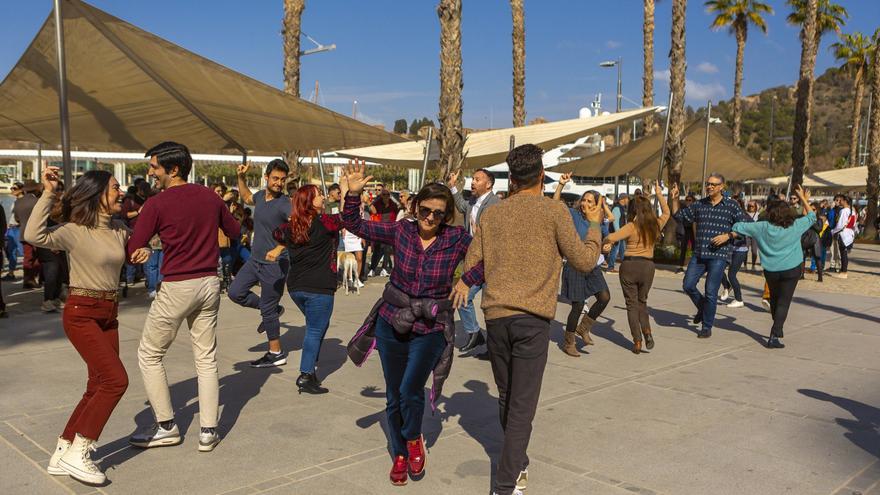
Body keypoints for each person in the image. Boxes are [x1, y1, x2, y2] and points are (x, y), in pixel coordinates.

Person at [456, 144, 601, 495]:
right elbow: (584, 261)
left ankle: (516, 462)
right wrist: (595, 227)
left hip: (497, 317)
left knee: (508, 397)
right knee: (522, 405)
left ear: (512, 177)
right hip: (533, 319)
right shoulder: (554, 212)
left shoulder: (493, 215)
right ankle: (507, 484)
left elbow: (474, 262)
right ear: (540, 175)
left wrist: (463, 280)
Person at [343, 161, 483, 487]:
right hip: (392, 321)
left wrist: (468, 280)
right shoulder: (401, 229)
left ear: (447, 216)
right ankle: (401, 454)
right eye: (425, 210)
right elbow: (353, 224)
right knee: (394, 395)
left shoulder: (457, 239)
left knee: (410, 388)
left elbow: (489, 256)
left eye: (438, 213)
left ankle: (413, 437)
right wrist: (352, 194)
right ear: (416, 206)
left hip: (431, 326)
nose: (430, 218)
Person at [127, 142, 240, 453]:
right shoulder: (210, 196)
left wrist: (144, 247)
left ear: (172, 169)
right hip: (209, 282)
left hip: (179, 284)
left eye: (154, 167)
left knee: (149, 354)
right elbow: (235, 229)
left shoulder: (156, 204)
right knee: (206, 358)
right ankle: (208, 431)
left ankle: (166, 426)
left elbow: (134, 245)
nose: (150, 172)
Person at [25, 167, 129, 484]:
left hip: (109, 313)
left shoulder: (119, 229)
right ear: (98, 194)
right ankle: (80, 451)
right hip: (81, 312)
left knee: (97, 385)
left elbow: (138, 247)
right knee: (116, 381)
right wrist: (49, 191)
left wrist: (143, 249)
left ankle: (63, 450)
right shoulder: (73, 231)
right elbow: (33, 235)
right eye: (114, 188)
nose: (120, 192)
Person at [268, 184, 344, 394]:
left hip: (296, 288)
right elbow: (347, 217)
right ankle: (306, 375)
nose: (323, 197)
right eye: (319, 195)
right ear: (309, 202)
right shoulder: (325, 223)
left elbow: (277, 233)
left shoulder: (292, 226)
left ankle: (310, 367)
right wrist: (346, 192)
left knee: (318, 324)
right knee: (314, 329)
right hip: (318, 287)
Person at [729, 185, 816, 348]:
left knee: (775, 300)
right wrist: (804, 198)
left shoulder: (761, 227)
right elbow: (812, 217)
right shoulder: (795, 226)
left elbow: (737, 227)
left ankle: (778, 326)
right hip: (792, 269)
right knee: (784, 301)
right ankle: (774, 334)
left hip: (771, 270)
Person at [227, 160, 292, 368]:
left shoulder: (285, 203)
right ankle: (272, 310)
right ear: (266, 177)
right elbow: (246, 196)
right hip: (255, 261)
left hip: (275, 264)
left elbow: (300, 228)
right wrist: (241, 177)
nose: (279, 183)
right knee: (235, 292)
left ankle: (276, 352)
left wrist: (280, 248)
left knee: (268, 307)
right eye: (275, 178)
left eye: (282, 180)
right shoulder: (261, 198)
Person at [672, 173, 751, 339]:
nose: (709, 187)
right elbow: (679, 217)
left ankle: (706, 327)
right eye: (708, 184)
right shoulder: (700, 204)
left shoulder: (731, 205)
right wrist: (674, 199)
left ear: (722, 187)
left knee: (711, 291)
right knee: (688, 285)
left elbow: (746, 227)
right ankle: (703, 308)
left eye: (713, 185)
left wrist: (728, 236)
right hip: (699, 254)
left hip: (719, 256)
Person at [602, 183, 671, 353]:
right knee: (642, 302)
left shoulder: (631, 226)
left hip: (630, 266)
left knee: (631, 305)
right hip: (648, 266)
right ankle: (647, 331)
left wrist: (606, 243)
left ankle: (637, 341)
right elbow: (668, 212)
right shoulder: (655, 224)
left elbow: (611, 236)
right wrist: (659, 195)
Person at [553, 174, 613, 357]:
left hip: (592, 265)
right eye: (584, 200)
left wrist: (607, 247)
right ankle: (569, 341)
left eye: (589, 201)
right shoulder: (573, 214)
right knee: (578, 306)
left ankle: (584, 327)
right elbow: (555, 205)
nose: (585, 203)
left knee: (604, 297)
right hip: (574, 265)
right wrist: (560, 185)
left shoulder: (598, 221)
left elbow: (602, 241)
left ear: (596, 205)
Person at [446, 167, 501, 355]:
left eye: (477, 179)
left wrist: (483, 236)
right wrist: (453, 187)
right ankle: (474, 333)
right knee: (461, 296)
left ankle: (493, 349)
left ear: (489, 184)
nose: (473, 182)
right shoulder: (472, 201)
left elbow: (500, 234)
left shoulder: (495, 204)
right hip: (474, 262)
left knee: (491, 309)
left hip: (491, 263)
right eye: (473, 179)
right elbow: (462, 206)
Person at [36, 180, 68, 313]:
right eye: (57, 189)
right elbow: (39, 227)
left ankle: (55, 298)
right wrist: (51, 244)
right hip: (47, 245)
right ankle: (47, 300)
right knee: (52, 272)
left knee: (60, 272)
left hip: (61, 244)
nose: (59, 191)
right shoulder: (43, 205)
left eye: (61, 188)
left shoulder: (64, 204)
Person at [720, 198, 750, 307]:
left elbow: (753, 228)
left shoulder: (745, 216)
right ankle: (727, 286)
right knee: (717, 269)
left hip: (740, 250)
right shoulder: (727, 214)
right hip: (727, 248)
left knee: (732, 274)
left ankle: (739, 299)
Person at [14, 180, 42, 289]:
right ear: (36, 190)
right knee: (38, 257)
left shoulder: (18, 202)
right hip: (37, 233)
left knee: (28, 257)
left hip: (23, 233)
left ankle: (28, 279)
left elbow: (17, 219)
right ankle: (31, 279)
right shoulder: (38, 201)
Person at [368, 184, 397, 277]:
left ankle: (384, 268)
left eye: (387, 194)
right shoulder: (377, 202)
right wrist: (368, 202)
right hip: (379, 229)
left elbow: (397, 214)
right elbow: (373, 211)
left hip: (389, 229)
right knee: (377, 250)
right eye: (383, 194)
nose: (385, 196)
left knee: (387, 250)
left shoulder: (393, 204)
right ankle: (372, 268)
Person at [3, 182, 24, 280]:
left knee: (22, 251)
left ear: (21, 189)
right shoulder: (15, 201)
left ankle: (30, 274)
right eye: (11, 188)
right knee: (10, 250)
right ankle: (11, 273)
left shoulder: (23, 201)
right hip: (11, 228)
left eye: (14, 188)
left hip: (18, 228)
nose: (12, 190)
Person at [830, 195, 855, 279]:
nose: (840, 202)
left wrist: (833, 231)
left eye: (841, 200)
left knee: (843, 253)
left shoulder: (844, 211)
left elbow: (840, 225)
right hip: (849, 233)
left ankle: (844, 272)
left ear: (845, 201)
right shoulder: (852, 210)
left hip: (843, 233)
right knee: (844, 253)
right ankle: (843, 270)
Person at [607, 193, 630, 272]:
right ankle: (610, 268)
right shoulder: (617, 208)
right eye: (627, 199)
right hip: (617, 233)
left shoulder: (621, 208)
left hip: (621, 233)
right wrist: (618, 234)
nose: (628, 200)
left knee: (622, 251)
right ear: (623, 199)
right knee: (615, 250)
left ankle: (625, 267)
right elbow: (615, 222)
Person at [675, 194, 697, 273]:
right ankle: (680, 267)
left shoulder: (695, 209)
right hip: (686, 229)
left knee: (694, 249)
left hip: (693, 230)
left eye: (689, 200)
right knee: (683, 249)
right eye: (686, 200)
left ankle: (694, 267)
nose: (687, 201)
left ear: (693, 201)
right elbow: (677, 217)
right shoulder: (683, 210)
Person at [745, 200, 761, 270]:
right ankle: (745, 265)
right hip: (747, 234)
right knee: (745, 250)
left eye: (752, 206)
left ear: (755, 207)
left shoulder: (758, 214)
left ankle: (753, 265)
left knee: (754, 251)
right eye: (749, 206)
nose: (751, 207)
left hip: (755, 235)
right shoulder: (745, 214)